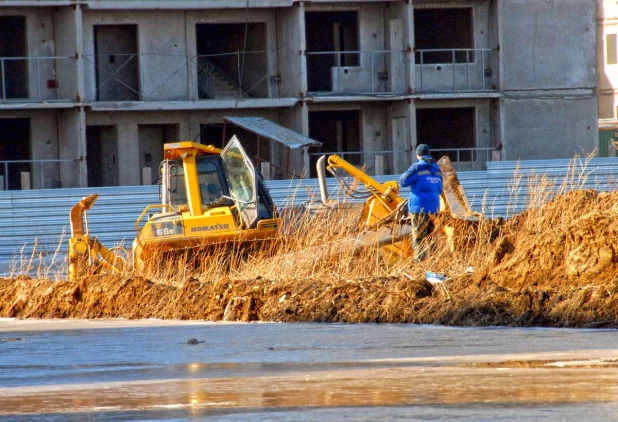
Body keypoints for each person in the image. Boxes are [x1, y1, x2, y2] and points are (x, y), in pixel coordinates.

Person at [399, 143, 443, 262]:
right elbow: (440, 189)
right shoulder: (437, 169)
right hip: (434, 208)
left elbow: (402, 181)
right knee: (431, 237)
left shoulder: (417, 167)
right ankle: (434, 262)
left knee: (418, 237)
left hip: (419, 207)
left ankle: (420, 263)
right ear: (428, 154)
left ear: (418, 155)